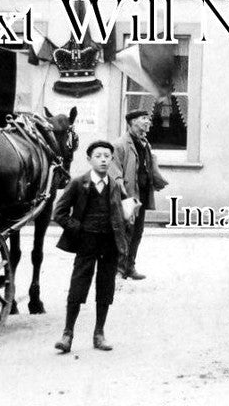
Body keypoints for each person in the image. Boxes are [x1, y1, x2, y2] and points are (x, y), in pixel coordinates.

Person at [52, 140, 130, 353]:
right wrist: (78, 229)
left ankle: (99, 333)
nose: (103, 159)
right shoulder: (79, 183)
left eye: (107, 156)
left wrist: (127, 216)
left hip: (109, 244)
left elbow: (124, 211)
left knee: (105, 288)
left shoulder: (115, 185)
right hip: (86, 242)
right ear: (89, 159)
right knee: (78, 285)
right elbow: (58, 213)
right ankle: (67, 334)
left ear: (111, 160)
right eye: (98, 156)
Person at [113, 110, 168, 280]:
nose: (147, 122)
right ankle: (119, 269)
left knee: (137, 231)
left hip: (142, 194)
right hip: (128, 195)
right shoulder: (120, 144)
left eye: (148, 119)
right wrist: (123, 194)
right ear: (131, 122)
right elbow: (115, 171)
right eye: (143, 119)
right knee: (125, 231)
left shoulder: (145, 143)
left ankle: (130, 267)